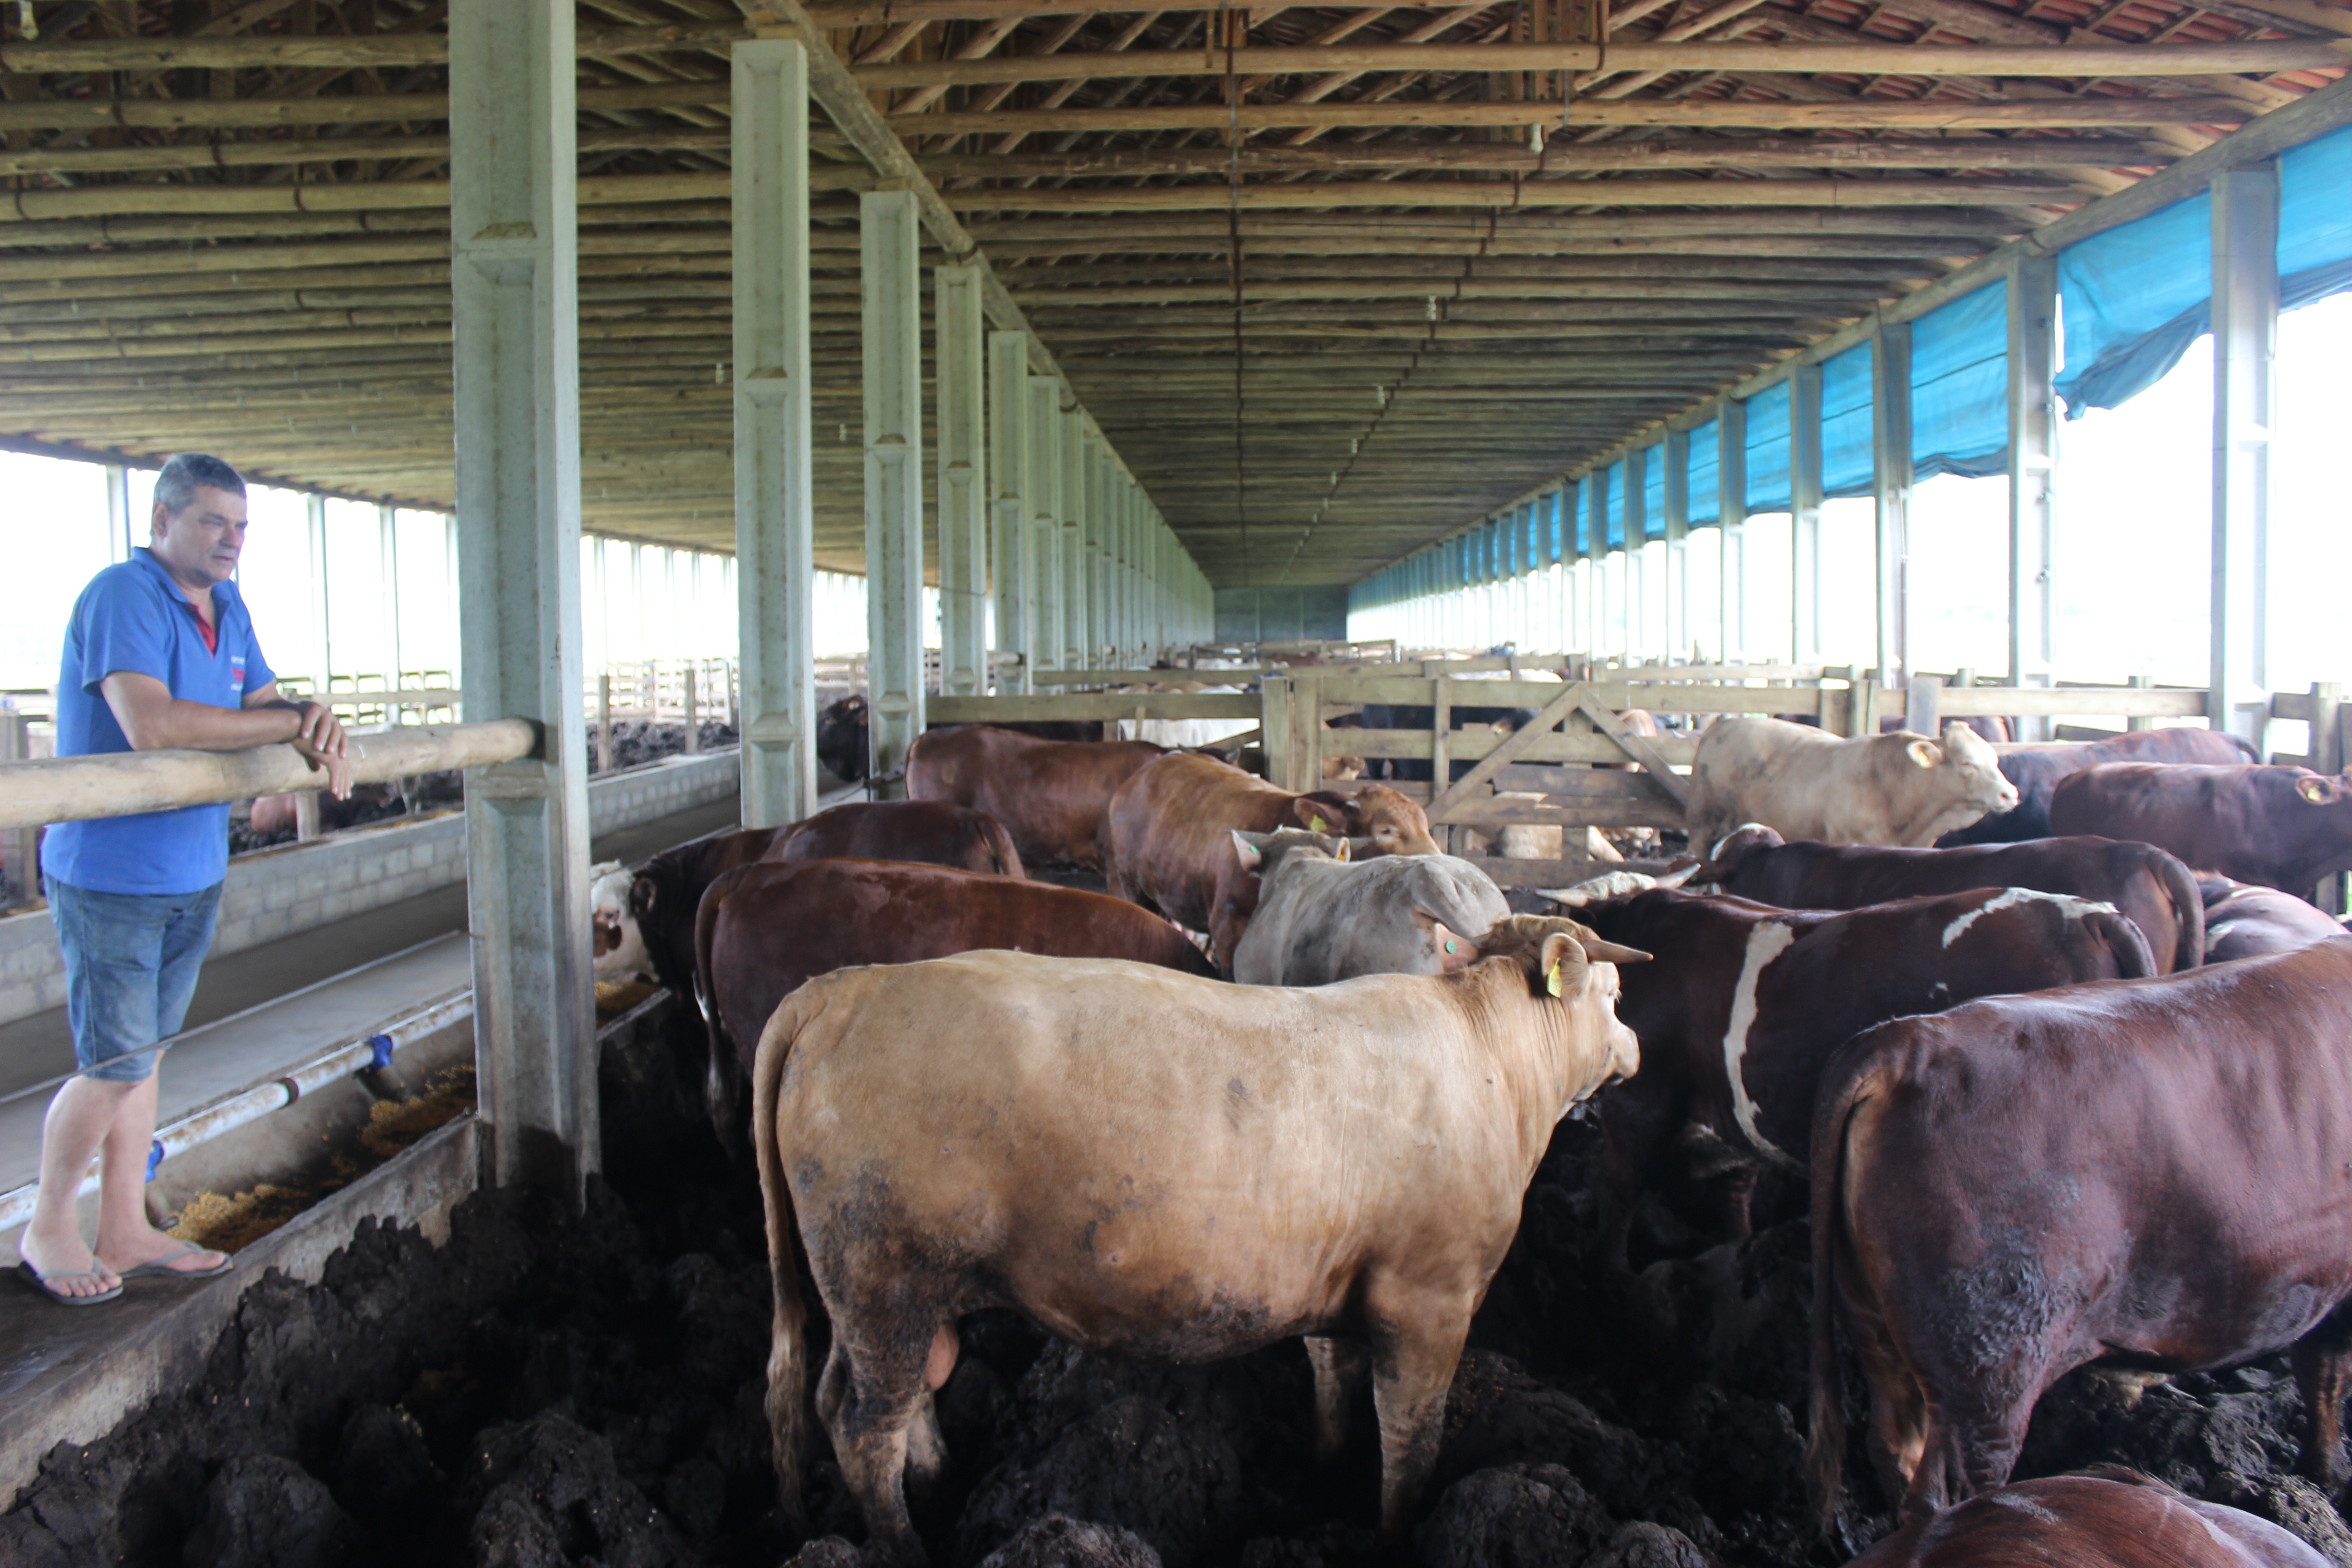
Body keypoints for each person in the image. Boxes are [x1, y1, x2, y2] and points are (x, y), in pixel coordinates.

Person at [15, 453, 354, 1305]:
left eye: (241, 528)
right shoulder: (122, 595)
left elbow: (270, 701)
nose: (231, 541)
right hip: (113, 872)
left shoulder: (227, 605)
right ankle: (50, 1222)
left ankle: (123, 1226)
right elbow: (152, 723)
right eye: (213, 522)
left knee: (144, 1055)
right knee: (116, 1060)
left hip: (193, 866)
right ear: (161, 519)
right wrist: (283, 723)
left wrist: (310, 718)